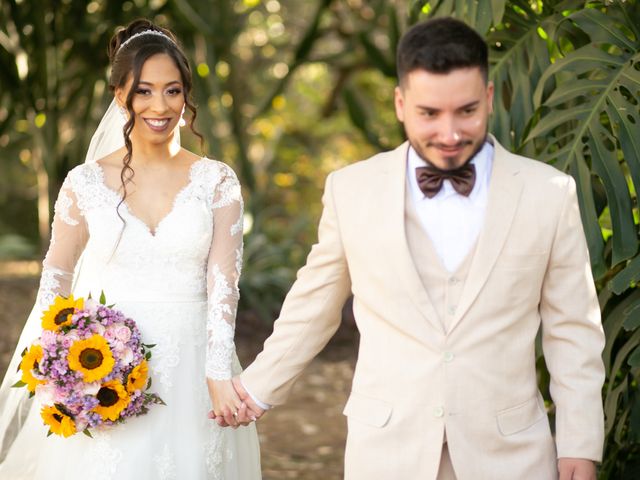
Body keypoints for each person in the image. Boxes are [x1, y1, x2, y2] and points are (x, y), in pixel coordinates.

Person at [226, 17, 605, 480]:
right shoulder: (351, 190)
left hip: (510, 455)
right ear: (401, 104)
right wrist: (255, 389)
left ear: (488, 98)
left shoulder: (549, 192)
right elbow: (314, 305)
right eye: (430, 114)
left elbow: (574, 332)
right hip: (387, 450)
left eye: (466, 111)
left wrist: (580, 444)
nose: (449, 133)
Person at [0, 19, 261, 479]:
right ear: (120, 95)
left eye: (173, 91)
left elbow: (224, 285)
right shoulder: (84, 183)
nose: (160, 106)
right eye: (144, 91)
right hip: (101, 367)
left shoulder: (216, 180)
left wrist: (218, 372)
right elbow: (57, 274)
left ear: (186, 96)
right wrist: (55, 358)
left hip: (192, 366)